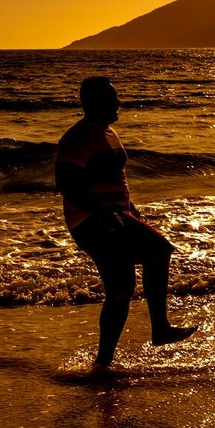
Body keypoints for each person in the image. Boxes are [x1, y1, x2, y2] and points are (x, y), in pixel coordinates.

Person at [56, 76, 197, 372]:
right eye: (112, 99)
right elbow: (67, 184)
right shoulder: (78, 137)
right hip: (92, 221)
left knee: (121, 288)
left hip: (117, 215)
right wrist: (100, 214)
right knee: (158, 251)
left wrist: (131, 210)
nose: (118, 103)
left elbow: (115, 179)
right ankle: (159, 329)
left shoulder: (107, 132)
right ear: (93, 103)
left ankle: (103, 363)